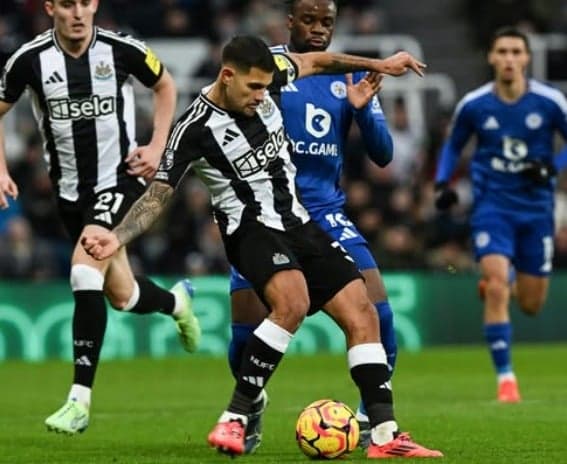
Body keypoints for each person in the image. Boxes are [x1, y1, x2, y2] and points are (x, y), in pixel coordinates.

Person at [82, 35, 442, 458]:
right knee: (291, 302)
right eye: (253, 88)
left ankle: (384, 436)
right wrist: (117, 235)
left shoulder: (270, 77)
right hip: (250, 231)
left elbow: (319, 60)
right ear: (227, 75)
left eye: (266, 86)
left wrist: (378, 65)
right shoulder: (193, 129)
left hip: (299, 222)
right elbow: (158, 195)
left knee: (362, 311)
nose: (262, 95)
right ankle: (234, 418)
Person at [0, 0, 201, 434]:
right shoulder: (29, 60)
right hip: (70, 194)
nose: (77, 12)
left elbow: (165, 85)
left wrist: (156, 147)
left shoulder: (121, 49)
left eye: (84, 2)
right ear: (50, 6)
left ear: (94, 5)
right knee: (122, 295)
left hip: (120, 180)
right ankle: (176, 303)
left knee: (83, 275)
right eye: (67, 3)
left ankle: (79, 402)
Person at [228, 0, 397, 452]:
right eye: (309, 20)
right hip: (266, 213)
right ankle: (252, 402)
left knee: (376, 310)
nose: (318, 29)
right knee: (246, 330)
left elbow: (383, 155)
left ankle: (370, 422)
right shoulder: (269, 70)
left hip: (326, 212)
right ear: (291, 21)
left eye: (327, 22)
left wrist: (362, 108)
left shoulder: (348, 78)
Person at [434, 26, 567, 403]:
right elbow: (453, 145)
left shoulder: (549, 101)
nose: (509, 58)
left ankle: (503, 281)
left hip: (537, 210)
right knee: (495, 286)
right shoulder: (475, 104)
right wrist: (443, 184)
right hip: (492, 206)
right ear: (491, 57)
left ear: (526, 58)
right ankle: (506, 380)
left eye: (515, 52)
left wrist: (553, 167)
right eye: (502, 51)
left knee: (531, 303)